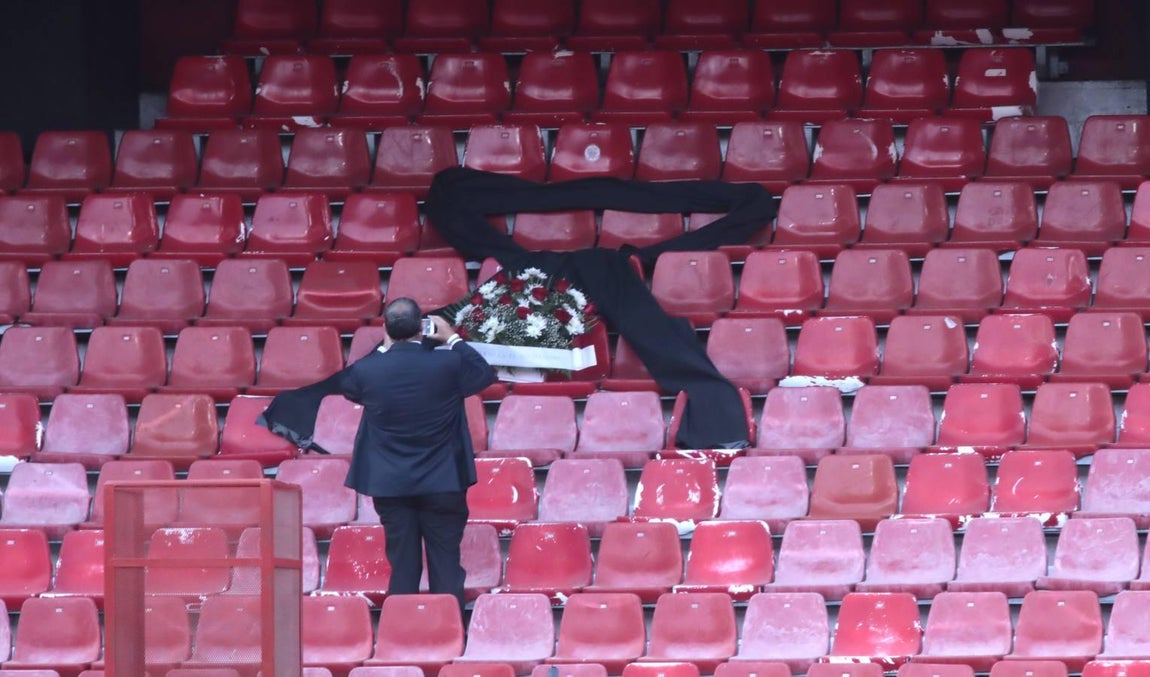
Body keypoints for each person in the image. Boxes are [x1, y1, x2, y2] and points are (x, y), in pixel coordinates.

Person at [339, 297, 496, 611]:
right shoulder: (447, 363)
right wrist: (452, 338)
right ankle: (449, 633)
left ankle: (400, 635)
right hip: (443, 481)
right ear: (423, 328)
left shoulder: (369, 370)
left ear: (386, 328)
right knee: (446, 564)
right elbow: (483, 374)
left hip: (391, 484)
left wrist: (385, 347)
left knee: (403, 566)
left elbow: (349, 384)